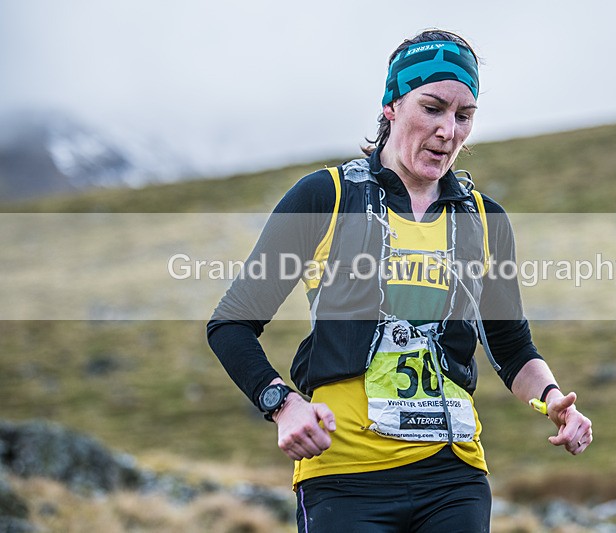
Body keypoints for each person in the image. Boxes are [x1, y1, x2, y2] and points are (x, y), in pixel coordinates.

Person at [207, 29, 592, 533]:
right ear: (391, 105)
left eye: (463, 116)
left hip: (453, 477)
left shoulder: (482, 218)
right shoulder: (327, 197)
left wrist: (554, 400)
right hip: (344, 477)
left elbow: (512, 347)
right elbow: (231, 324)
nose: (448, 131)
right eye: (432, 108)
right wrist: (282, 403)